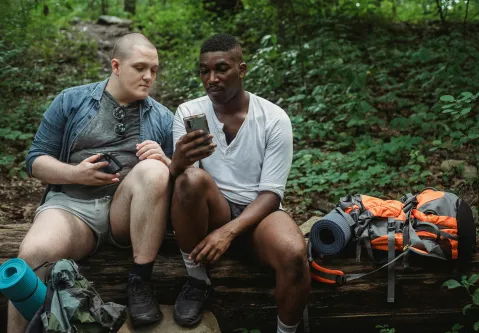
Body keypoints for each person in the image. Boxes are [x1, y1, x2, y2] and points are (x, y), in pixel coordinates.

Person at [7, 33, 174, 332]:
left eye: (154, 69)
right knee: (30, 258)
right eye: (140, 67)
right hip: (72, 209)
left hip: (126, 213)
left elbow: (184, 181)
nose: (149, 76)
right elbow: (35, 160)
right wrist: (76, 174)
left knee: (154, 170)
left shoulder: (162, 117)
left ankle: (140, 282)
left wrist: (166, 161)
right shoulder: (72, 100)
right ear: (116, 66)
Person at [169, 33, 311, 333]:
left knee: (296, 255)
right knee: (190, 179)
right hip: (213, 210)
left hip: (259, 215)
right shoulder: (189, 112)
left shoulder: (273, 118)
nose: (211, 79)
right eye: (204, 71)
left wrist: (228, 233)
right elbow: (185, 187)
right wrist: (178, 162)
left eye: (221, 69)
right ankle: (197, 280)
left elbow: (272, 193)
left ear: (242, 70)